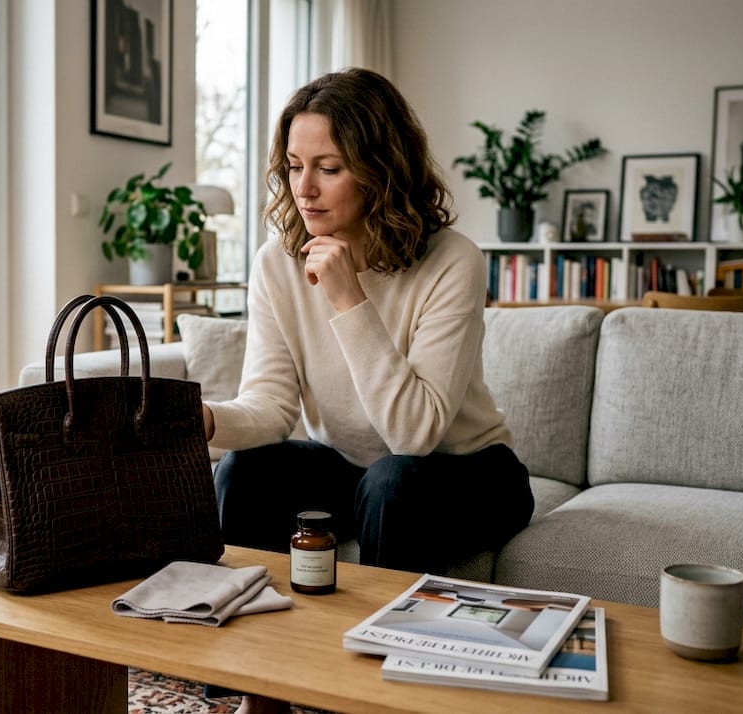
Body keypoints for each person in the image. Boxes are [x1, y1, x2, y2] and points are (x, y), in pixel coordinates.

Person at [200, 68, 534, 713]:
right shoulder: (277, 262)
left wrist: (349, 295)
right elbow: (271, 408)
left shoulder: (452, 260)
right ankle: (257, 681)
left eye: (328, 167)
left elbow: (414, 435)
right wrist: (205, 419)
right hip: (355, 474)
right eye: (294, 165)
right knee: (245, 472)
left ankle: (367, 694)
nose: (304, 189)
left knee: (394, 480)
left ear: (380, 169)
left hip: (466, 474)